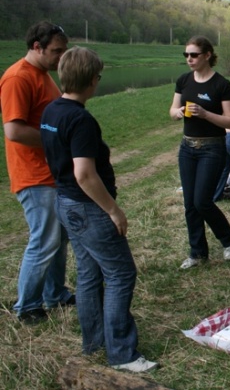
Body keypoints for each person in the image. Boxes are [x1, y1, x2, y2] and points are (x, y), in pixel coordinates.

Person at [40, 46, 158, 373]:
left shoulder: (52, 112)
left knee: (90, 274)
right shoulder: (80, 119)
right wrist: (113, 211)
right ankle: (122, 354)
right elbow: (84, 174)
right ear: (93, 80)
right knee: (121, 273)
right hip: (87, 208)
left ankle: (94, 342)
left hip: (65, 204)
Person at [0, 21, 74, 324]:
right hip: (32, 175)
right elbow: (14, 130)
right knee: (44, 240)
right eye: (56, 51)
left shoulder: (43, 75)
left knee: (58, 238)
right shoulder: (18, 78)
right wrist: (56, 140)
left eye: (64, 51)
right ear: (37, 47)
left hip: (51, 172)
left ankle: (54, 294)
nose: (61, 58)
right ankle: (27, 306)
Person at [169, 36, 230, 269]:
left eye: (194, 55)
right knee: (190, 203)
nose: (189, 59)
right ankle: (198, 253)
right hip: (187, 148)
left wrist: (205, 114)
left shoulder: (221, 85)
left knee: (202, 201)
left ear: (207, 55)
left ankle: (229, 240)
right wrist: (178, 112)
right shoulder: (183, 81)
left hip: (212, 147)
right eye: (186, 55)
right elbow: (171, 110)